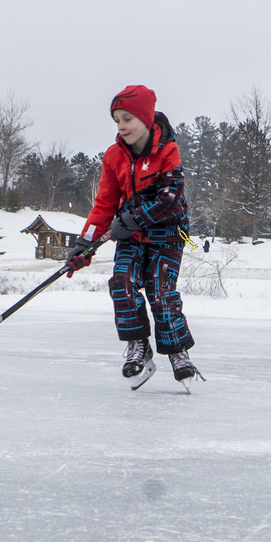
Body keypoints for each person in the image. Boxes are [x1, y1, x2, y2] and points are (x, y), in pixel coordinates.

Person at [64, 85, 199, 387]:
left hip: (166, 233)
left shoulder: (168, 150)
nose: (122, 126)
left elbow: (170, 198)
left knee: (161, 291)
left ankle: (177, 351)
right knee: (121, 281)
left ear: (147, 118)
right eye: (116, 120)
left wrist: (134, 218)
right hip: (130, 235)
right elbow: (104, 203)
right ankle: (138, 344)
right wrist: (84, 244)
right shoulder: (113, 156)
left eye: (128, 118)